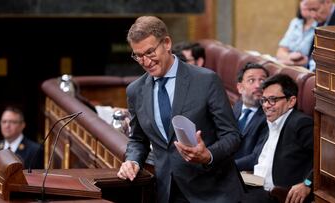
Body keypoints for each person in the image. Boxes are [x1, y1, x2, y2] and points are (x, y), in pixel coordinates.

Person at [117, 16, 244, 203]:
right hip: (168, 192)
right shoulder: (135, 90)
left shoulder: (206, 80)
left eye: (150, 52)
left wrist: (208, 155)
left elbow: (232, 136)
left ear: (167, 43)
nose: (145, 61)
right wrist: (132, 161)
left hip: (214, 192)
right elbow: (138, 139)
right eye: (138, 55)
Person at [243, 74, 314, 203]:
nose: (266, 105)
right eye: (264, 100)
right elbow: (256, 157)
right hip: (256, 181)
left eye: (273, 99)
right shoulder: (270, 121)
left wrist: (307, 183)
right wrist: (227, 165)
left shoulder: (301, 123)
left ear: (291, 101)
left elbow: (324, 161)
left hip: (275, 193)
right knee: (216, 179)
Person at [233, 63, 269, 171]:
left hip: (247, 172)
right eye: (251, 80)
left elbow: (256, 157)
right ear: (240, 87)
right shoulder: (237, 105)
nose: (258, 85)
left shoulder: (269, 116)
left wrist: (225, 167)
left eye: (262, 80)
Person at [0, 106, 43, 175]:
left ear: (22, 125)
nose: (7, 125)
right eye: (4, 121)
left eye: (12, 122)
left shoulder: (35, 150)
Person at [304, 0, 335, 71]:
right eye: (310, 10)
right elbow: (314, 51)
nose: (312, 15)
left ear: (328, 2)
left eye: (315, 9)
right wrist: (307, 61)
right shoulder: (322, 19)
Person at [276, 0, 317, 67]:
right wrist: (289, 58)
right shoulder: (295, 22)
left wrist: (291, 62)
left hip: (305, 68)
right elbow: (280, 51)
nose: (305, 3)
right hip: (286, 63)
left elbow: (310, 61)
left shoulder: (320, 26)